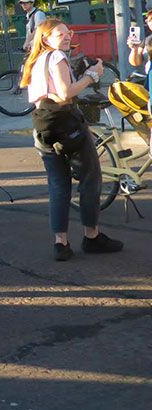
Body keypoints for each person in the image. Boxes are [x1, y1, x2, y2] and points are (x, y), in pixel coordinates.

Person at [24, 18, 123, 261]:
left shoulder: (36, 59)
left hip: (43, 128)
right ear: (46, 38)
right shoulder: (57, 56)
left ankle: (61, 243)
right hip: (68, 127)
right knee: (90, 179)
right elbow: (64, 93)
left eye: (68, 33)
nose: (67, 37)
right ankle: (92, 236)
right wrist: (91, 75)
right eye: (60, 35)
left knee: (58, 185)